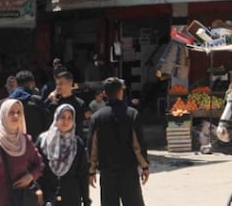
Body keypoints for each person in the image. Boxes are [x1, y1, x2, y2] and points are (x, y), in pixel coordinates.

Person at [88, 77, 149, 206]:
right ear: (121, 92)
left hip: (107, 172)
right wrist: (144, 166)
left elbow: (93, 146)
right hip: (128, 171)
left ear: (104, 94)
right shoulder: (132, 114)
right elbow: (137, 145)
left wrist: (91, 170)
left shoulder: (97, 117)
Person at [37, 104, 90, 206]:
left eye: (69, 118)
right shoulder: (43, 141)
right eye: (62, 117)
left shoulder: (77, 143)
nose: (66, 121)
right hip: (48, 195)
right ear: (56, 118)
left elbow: (83, 174)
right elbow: (37, 168)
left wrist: (86, 200)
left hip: (71, 196)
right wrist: (38, 190)